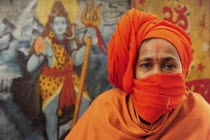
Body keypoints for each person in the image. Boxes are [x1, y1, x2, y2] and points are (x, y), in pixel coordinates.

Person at [65, 9, 210, 140]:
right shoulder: (105, 110)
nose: (156, 75)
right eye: (146, 65)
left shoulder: (200, 116)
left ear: (183, 70)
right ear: (132, 72)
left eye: (169, 66)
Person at [27, 1, 88, 140]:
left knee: (85, 102)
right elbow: (30, 67)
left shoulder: (70, 41)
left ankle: (78, 134)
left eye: (63, 23)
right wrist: (37, 54)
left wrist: (85, 45)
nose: (61, 26)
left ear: (67, 24)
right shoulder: (46, 42)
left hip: (69, 77)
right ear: (52, 25)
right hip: (51, 79)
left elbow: (77, 61)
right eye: (57, 23)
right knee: (50, 111)